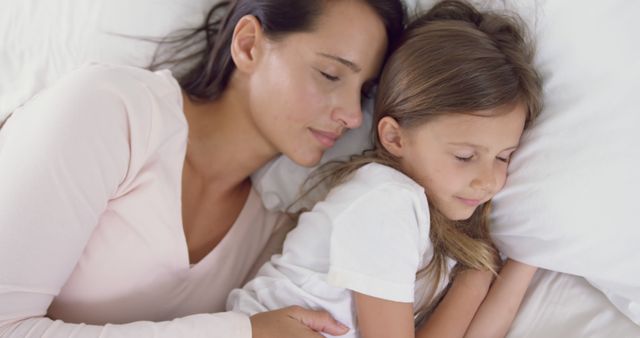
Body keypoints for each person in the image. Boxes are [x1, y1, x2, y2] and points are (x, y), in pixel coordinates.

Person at [0, 1, 405, 337]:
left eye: (365, 93)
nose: (354, 116)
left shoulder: (271, 239)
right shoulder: (113, 111)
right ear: (248, 46)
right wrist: (241, 332)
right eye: (330, 74)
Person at [226, 1, 543, 337]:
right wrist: (474, 281)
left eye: (504, 157)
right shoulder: (387, 201)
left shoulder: (434, 228)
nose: (488, 180)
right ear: (394, 137)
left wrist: (519, 261)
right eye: (464, 156)